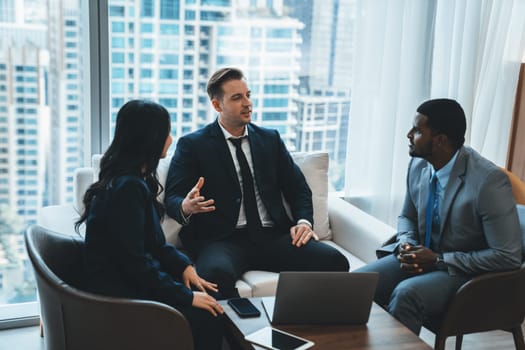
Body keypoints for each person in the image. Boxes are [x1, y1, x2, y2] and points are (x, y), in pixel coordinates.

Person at [164, 67, 349, 299]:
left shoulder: (269, 139)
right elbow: (173, 197)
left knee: (334, 261)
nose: (247, 103)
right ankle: (237, 335)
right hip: (222, 240)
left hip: (272, 236)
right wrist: (186, 206)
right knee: (213, 276)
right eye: (237, 97)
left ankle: (308, 329)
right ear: (217, 105)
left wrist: (304, 222)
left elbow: (298, 188)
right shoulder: (193, 145)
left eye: (248, 95)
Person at [356, 98, 522, 334]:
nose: (408, 135)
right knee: (356, 285)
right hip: (422, 258)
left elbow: (508, 256)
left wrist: (438, 260)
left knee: (407, 294)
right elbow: (407, 217)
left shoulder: (488, 183)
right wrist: (407, 243)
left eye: (417, 130)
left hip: (465, 274)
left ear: (440, 140)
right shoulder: (419, 165)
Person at [76, 100, 225, 350]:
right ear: (151, 138)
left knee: (209, 299)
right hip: (118, 297)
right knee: (208, 315)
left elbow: (152, 244)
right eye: (166, 131)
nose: (171, 137)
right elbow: (135, 264)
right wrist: (186, 297)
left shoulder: (129, 180)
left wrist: (184, 266)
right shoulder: (128, 188)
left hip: (125, 283)